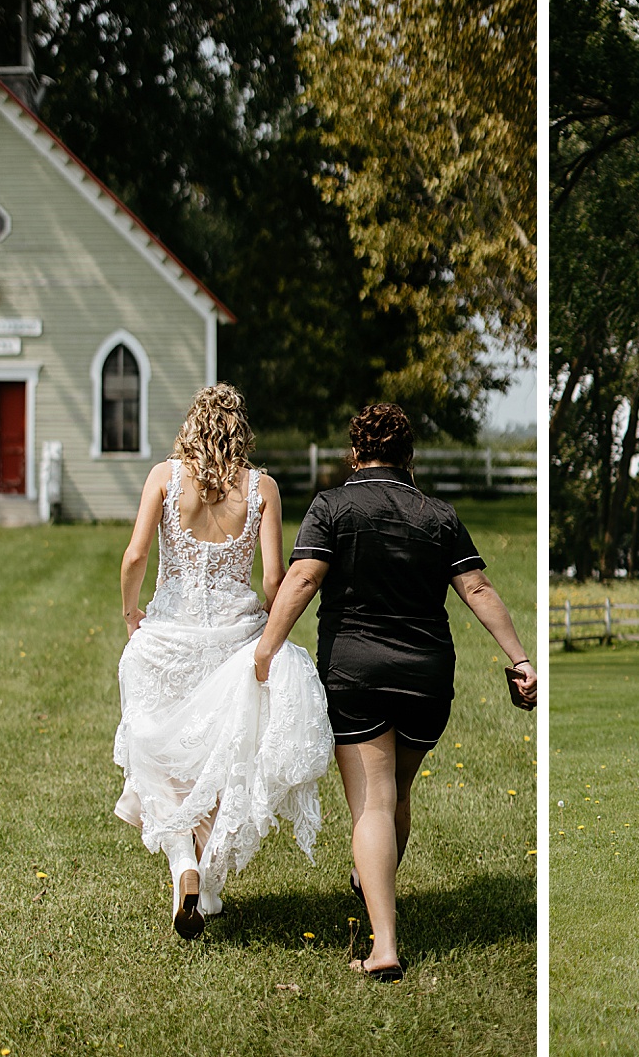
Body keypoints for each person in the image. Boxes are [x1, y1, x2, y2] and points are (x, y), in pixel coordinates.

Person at [251, 403, 537, 981]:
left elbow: (303, 577)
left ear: (355, 454)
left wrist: (266, 648)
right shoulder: (438, 514)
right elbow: (477, 588)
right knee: (397, 793)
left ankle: (384, 945)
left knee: (373, 804)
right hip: (428, 676)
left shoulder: (332, 506)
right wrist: (521, 658)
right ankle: (370, 877)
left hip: (356, 672)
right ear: (409, 456)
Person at [114, 384, 333, 940]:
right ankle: (205, 884)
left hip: (169, 637)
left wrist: (131, 611)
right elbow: (273, 579)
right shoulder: (262, 489)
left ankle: (184, 868)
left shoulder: (165, 478)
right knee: (222, 755)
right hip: (234, 639)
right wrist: (263, 620)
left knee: (162, 753)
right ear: (239, 428)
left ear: (191, 423)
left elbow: (137, 554)